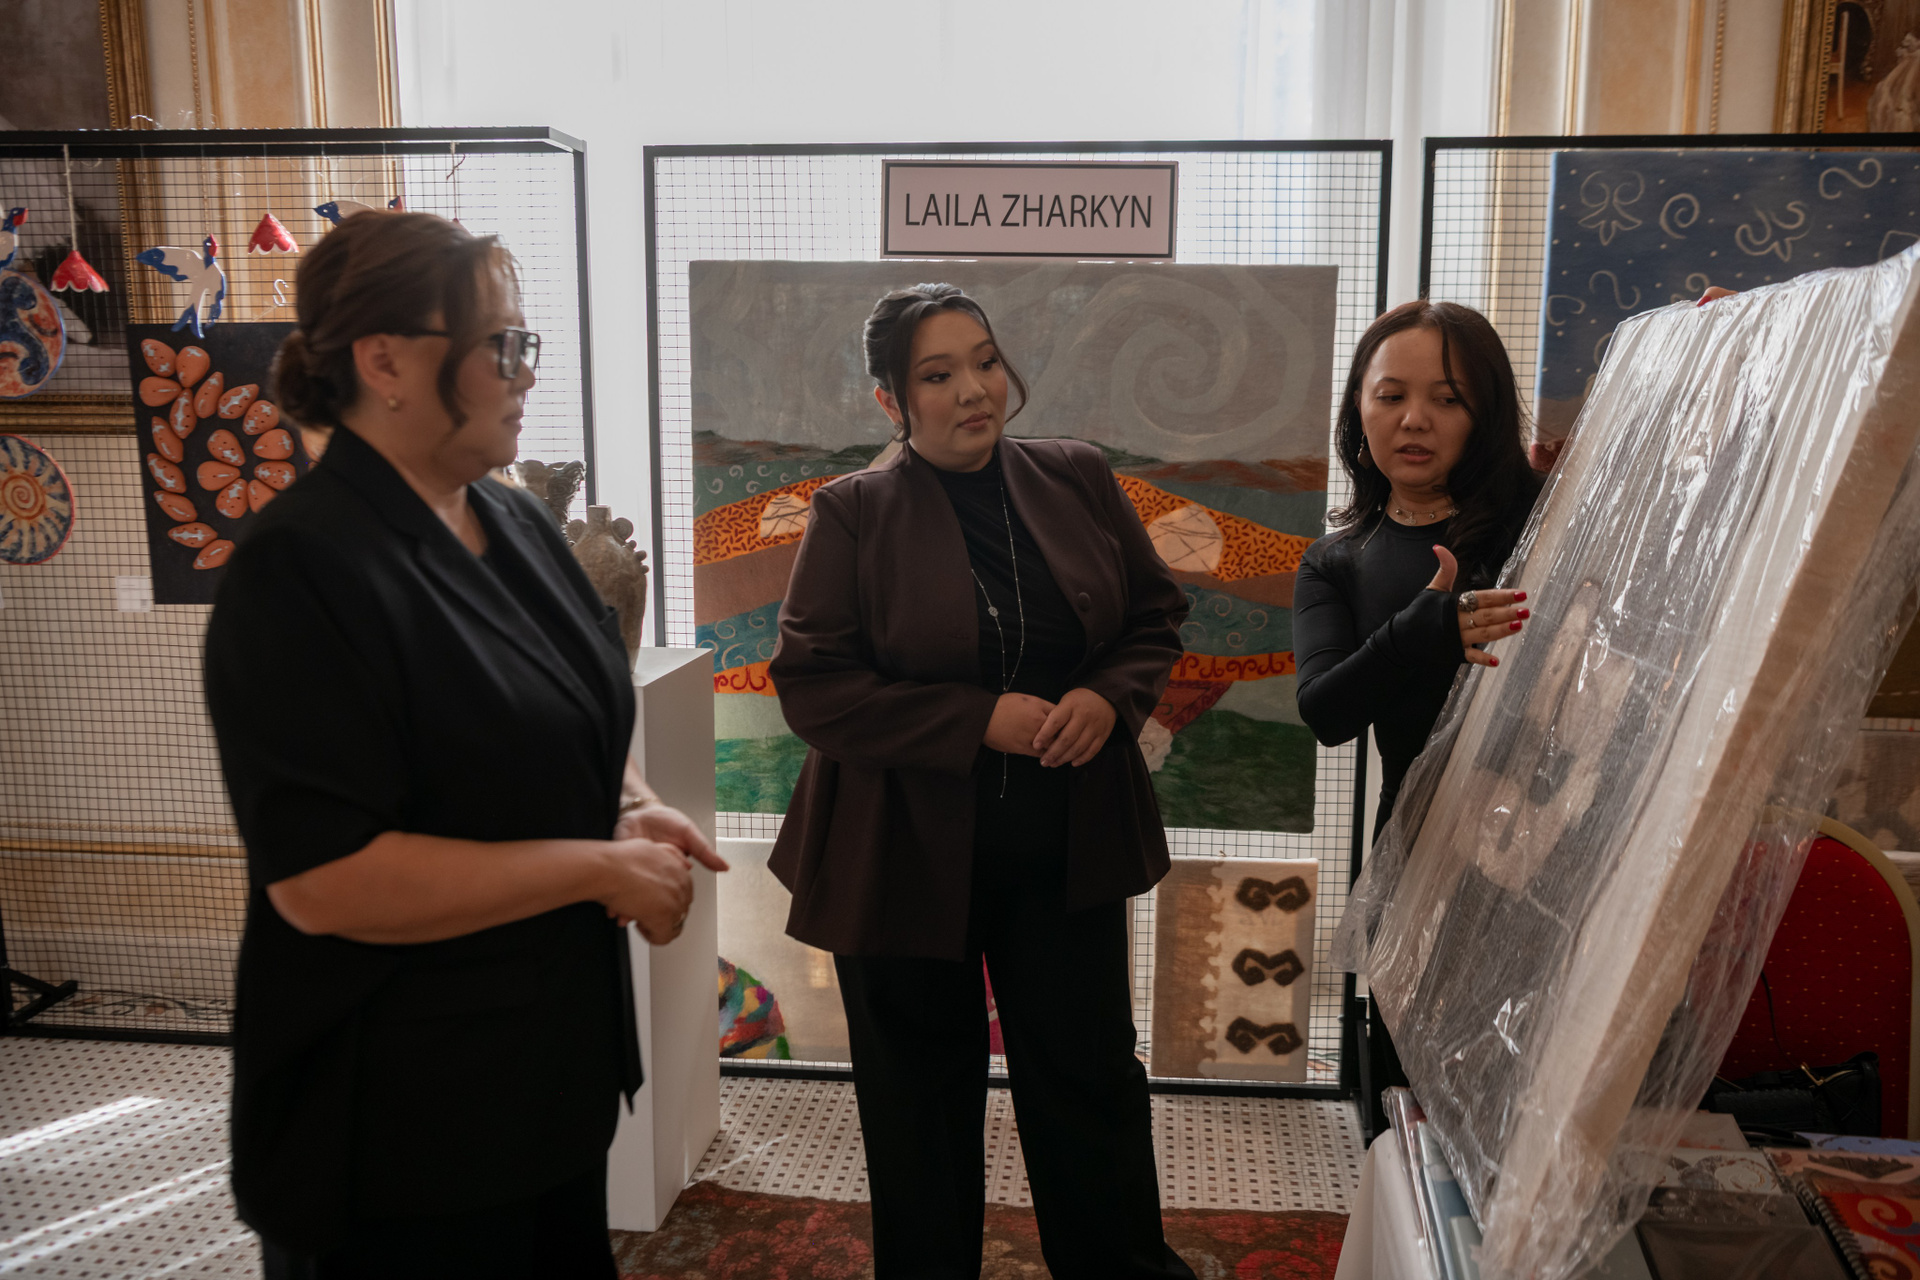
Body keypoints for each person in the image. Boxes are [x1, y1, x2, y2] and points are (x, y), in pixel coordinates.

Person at [202, 210, 727, 1279]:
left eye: (524, 343)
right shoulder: (301, 570)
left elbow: (574, 702)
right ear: (385, 361)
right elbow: (326, 882)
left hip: (544, 1086)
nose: (524, 373)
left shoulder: (513, 519)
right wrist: (601, 869)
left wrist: (630, 806)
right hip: (399, 1124)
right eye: (500, 345)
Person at [767, 283, 1196, 1280]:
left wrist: (1107, 695)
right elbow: (813, 686)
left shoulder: (1078, 475)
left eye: (986, 361)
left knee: (1089, 1083)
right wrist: (976, 720)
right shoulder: (852, 511)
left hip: (1065, 850)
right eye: (939, 374)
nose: (974, 389)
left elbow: (1154, 613)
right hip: (900, 857)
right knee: (917, 1105)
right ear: (891, 401)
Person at [1292, 300, 1543, 1137]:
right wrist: (1422, 631)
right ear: (1358, 409)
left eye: (1448, 398)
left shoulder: (1546, 519)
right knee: (1409, 1115)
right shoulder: (1337, 559)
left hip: (1551, 856)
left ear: (1486, 413)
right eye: (1391, 395)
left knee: (1529, 1107)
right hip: (1418, 856)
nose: (1415, 419)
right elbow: (1326, 711)